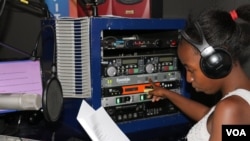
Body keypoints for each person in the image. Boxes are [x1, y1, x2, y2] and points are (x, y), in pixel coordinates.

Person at [148, 4, 250, 141]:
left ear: (216, 61)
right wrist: (167, 93)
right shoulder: (237, 102)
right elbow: (207, 115)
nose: (189, 78)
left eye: (190, 69)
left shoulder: (230, 108)